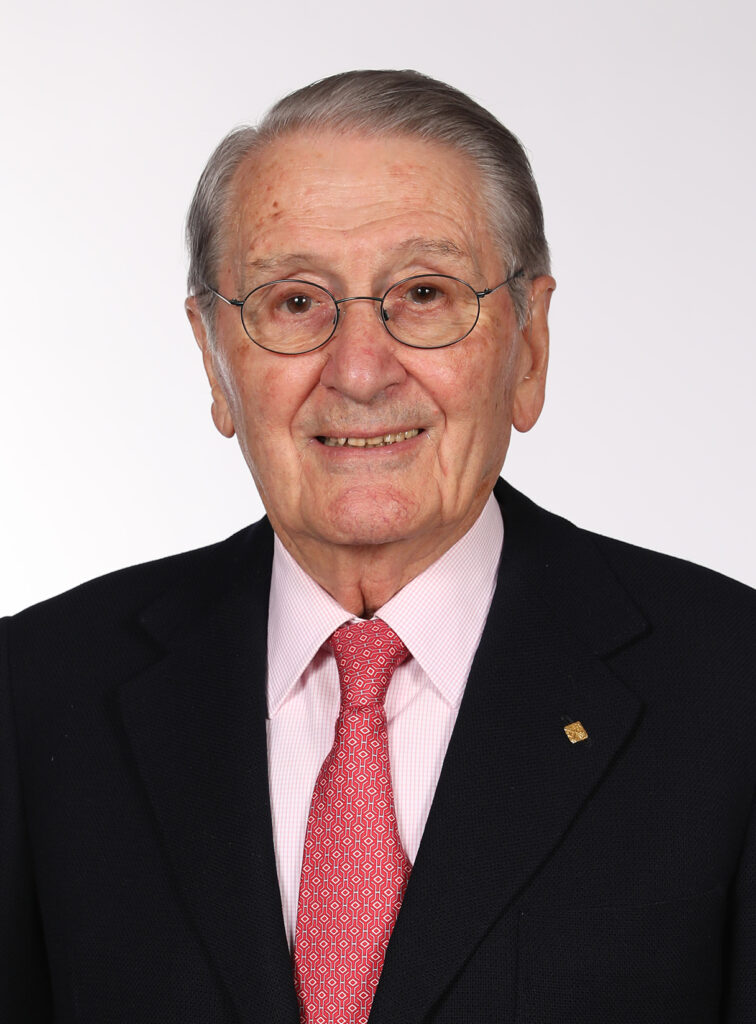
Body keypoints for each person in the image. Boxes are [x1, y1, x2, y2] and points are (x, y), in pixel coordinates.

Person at [2, 69, 754, 1024]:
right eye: (294, 302)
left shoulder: (732, 687)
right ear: (214, 359)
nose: (359, 371)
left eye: (425, 293)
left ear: (529, 347)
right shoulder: (36, 693)